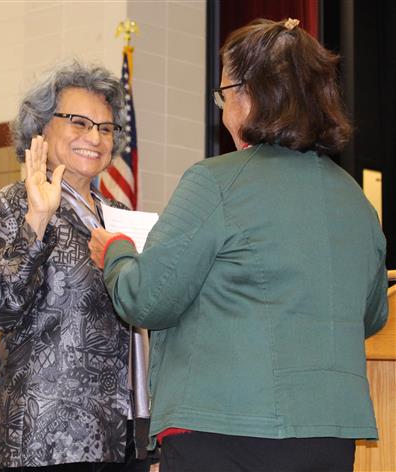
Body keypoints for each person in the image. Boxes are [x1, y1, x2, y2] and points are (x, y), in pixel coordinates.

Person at [88, 18, 388, 472]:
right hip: (330, 436)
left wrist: (117, 252)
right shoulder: (356, 202)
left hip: (228, 430)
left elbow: (146, 299)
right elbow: (371, 315)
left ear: (250, 96)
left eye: (224, 95)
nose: (223, 110)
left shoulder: (215, 182)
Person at [0, 62, 151, 472]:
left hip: (121, 436)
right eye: (79, 122)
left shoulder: (120, 215)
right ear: (41, 128)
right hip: (43, 437)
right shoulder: (14, 204)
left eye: (106, 128)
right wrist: (37, 219)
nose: (95, 137)